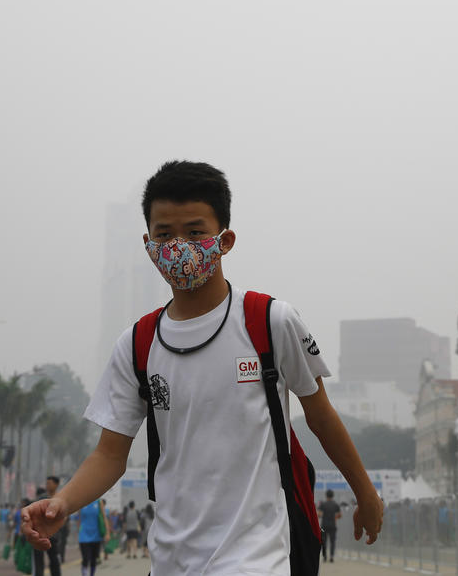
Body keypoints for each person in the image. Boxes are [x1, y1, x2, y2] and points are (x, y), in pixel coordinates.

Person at [21, 161, 384, 575]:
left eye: (195, 232)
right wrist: (63, 501)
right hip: (172, 560)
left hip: (257, 558)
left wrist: (366, 493)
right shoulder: (137, 344)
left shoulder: (270, 322)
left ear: (225, 240)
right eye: (165, 234)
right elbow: (109, 453)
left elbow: (320, 415)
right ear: (147, 243)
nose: (179, 246)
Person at [33, 479, 62, 575]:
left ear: (56, 484)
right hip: (39, 535)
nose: (47, 485)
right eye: (46, 483)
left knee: (54, 560)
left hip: (54, 536)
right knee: (38, 561)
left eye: (49, 483)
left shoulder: (61, 498)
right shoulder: (41, 498)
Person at [76, 498, 104, 576]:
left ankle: (92, 574)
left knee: (93, 559)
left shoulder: (99, 502)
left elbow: (104, 517)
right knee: (85, 558)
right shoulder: (81, 502)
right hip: (84, 535)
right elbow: (79, 519)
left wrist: (107, 532)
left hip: (96, 535)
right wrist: (78, 532)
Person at [317, 490, 342, 563]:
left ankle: (324, 556)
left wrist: (324, 516)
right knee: (332, 541)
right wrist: (334, 518)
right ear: (333, 496)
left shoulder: (323, 504)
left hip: (324, 526)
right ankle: (331, 556)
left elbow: (319, 514)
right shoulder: (335, 505)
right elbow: (340, 515)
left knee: (324, 541)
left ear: (326, 495)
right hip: (332, 526)